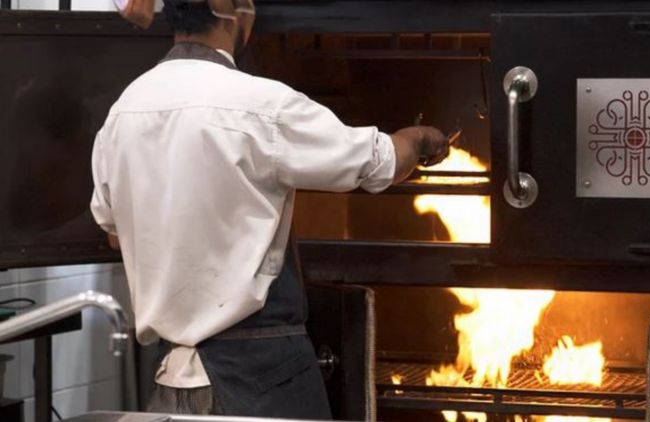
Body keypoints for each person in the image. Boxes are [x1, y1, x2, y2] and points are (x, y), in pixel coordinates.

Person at [91, 0, 449, 418]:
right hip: (258, 374)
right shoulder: (261, 105)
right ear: (229, 10)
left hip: (171, 380)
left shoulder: (123, 111)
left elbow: (115, 234)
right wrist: (419, 138)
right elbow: (378, 162)